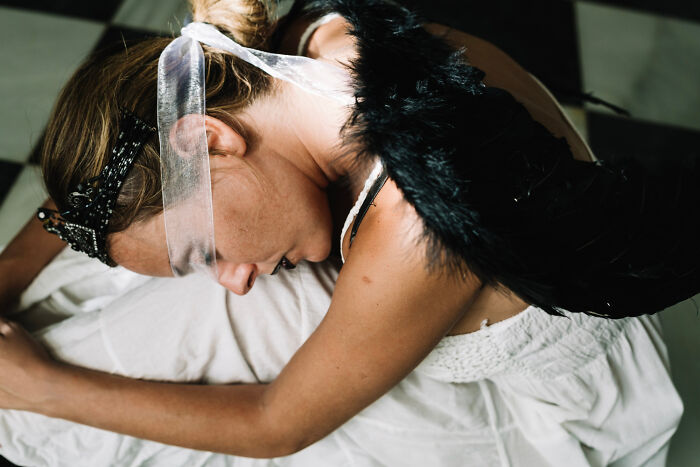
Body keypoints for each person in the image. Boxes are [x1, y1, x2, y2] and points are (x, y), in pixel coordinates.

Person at [0, 0, 691, 465]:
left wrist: (44, 386)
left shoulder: (421, 217)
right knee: (111, 270)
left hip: (553, 426)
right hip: (427, 282)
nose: (233, 273)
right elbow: (114, 185)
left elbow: (277, 423)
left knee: (208, 324)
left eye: (205, 252)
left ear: (205, 138)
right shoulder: (295, 48)